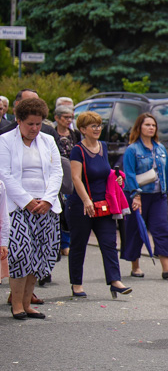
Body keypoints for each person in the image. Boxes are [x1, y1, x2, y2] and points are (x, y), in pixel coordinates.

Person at [0, 97, 63, 319]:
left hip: (46, 206)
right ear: (18, 121)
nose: (35, 129)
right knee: (20, 254)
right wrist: (27, 201)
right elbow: (4, 174)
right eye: (30, 124)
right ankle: (16, 304)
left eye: (38, 124)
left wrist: (47, 199)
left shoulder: (48, 141)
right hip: (17, 207)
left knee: (38, 254)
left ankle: (27, 303)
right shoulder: (6, 141)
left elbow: (57, 172)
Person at [67, 111, 132, 299]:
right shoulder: (77, 151)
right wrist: (87, 200)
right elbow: (75, 178)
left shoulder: (102, 146)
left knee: (109, 243)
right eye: (92, 126)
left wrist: (116, 179)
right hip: (82, 205)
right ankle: (76, 284)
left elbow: (106, 173)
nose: (97, 129)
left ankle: (115, 281)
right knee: (79, 245)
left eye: (98, 125)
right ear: (82, 129)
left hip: (103, 205)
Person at [122, 113, 168, 279]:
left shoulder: (160, 148)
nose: (150, 128)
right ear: (139, 127)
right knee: (136, 229)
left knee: (161, 228)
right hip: (140, 195)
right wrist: (135, 195)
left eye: (153, 125)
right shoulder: (132, 149)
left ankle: (166, 268)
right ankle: (135, 266)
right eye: (147, 124)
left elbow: (167, 172)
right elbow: (129, 174)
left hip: (158, 196)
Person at [53, 105, 81, 258]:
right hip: (58, 174)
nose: (69, 121)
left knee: (69, 210)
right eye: (66, 117)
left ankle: (66, 243)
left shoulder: (74, 134)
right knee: (59, 210)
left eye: (71, 117)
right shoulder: (52, 133)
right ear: (57, 118)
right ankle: (57, 242)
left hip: (72, 175)